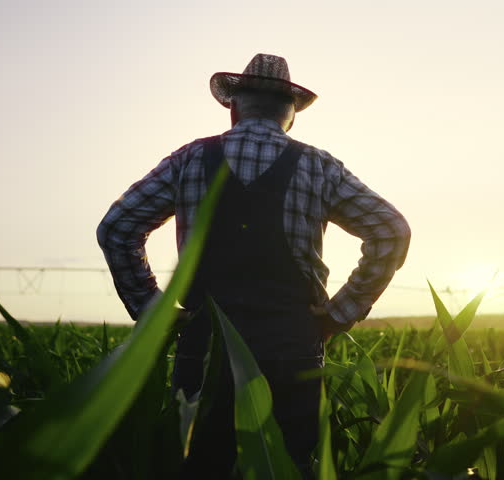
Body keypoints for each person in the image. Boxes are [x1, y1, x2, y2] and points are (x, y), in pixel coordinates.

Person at [97, 53, 410, 477]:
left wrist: (153, 311)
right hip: (292, 350)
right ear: (291, 114)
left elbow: (117, 228)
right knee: (286, 464)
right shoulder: (318, 165)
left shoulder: (188, 159)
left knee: (198, 465)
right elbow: (391, 230)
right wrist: (340, 313)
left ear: (233, 108)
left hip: (202, 347)